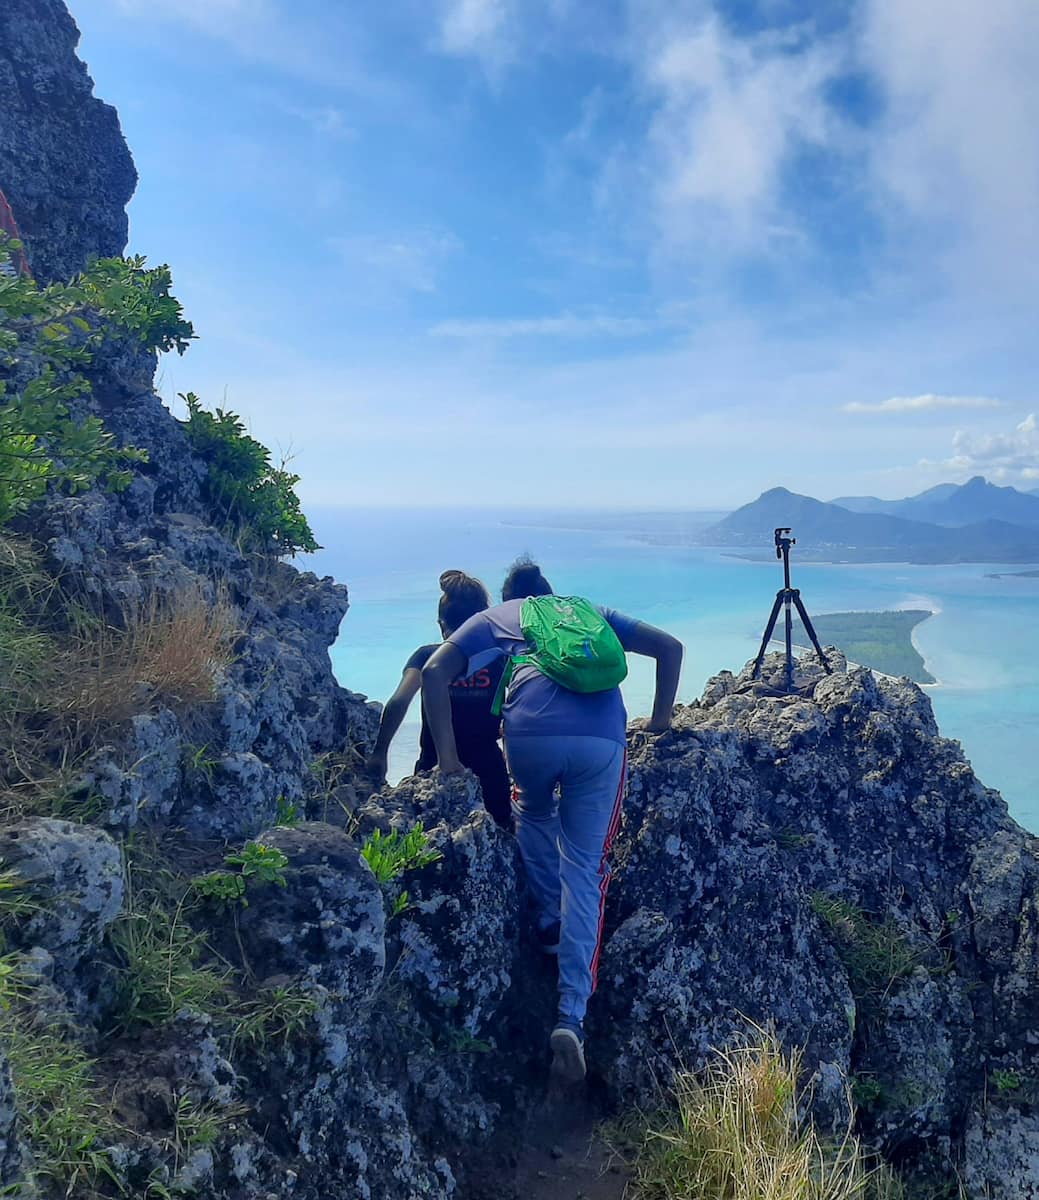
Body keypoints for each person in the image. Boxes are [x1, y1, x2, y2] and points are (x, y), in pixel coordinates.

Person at [421, 556, 683, 1081]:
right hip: (600, 741)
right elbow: (670, 648)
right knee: (586, 867)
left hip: (530, 739)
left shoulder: (500, 617)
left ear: (509, 595)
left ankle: (547, 924)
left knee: (533, 813)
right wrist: (659, 720)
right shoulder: (588, 612)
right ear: (552, 591)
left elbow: (434, 672)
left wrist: (448, 760)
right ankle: (571, 1018)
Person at [366, 570, 511, 827]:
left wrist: (380, 752)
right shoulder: (498, 658)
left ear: (442, 624)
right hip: (489, 770)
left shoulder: (426, 657)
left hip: (434, 770)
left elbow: (399, 701)